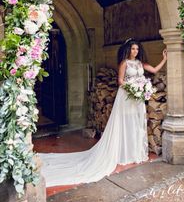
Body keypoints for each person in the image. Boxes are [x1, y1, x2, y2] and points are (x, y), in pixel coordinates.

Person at [39, 38, 167, 187]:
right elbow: (120, 81)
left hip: (137, 99)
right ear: (128, 50)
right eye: (133, 49)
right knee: (124, 124)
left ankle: (135, 152)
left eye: (137, 49)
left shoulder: (140, 63)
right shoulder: (124, 63)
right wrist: (134, 88)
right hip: (126, 96)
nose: (135, 51)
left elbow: (154, 70)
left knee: (136, 124)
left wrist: (164, 59)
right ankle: (122, 153)